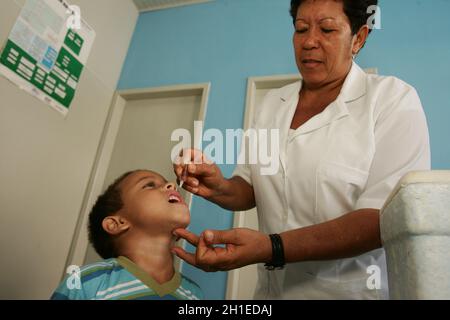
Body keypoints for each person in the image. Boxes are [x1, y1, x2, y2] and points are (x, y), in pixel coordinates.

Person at [171, 0, 430, 299]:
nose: (309, 42)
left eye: (328, 29)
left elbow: (381, 219)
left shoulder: (392, 100)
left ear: (358, 37)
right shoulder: (271, 105)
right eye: (301, 29)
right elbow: (252, 187)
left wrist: (273, 247)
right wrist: (218, 186)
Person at [51, 170, 203, 300]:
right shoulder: (84, 283)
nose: (172, 184)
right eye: (149, 185)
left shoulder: (195, 294)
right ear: (117, 223)